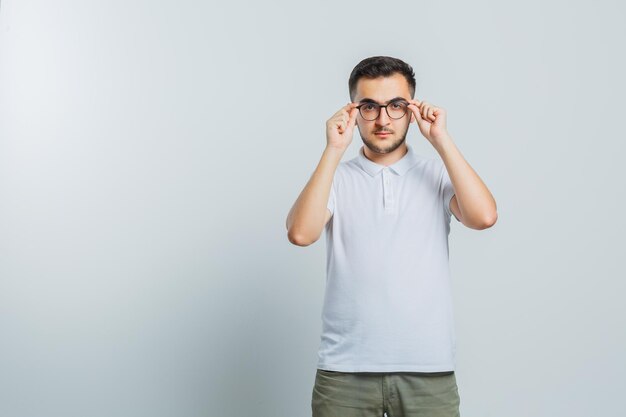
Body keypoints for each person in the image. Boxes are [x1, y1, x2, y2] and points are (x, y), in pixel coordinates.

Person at [286, 56, 497, 417]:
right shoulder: (336, 177)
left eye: (396, 106)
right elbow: (301, 234)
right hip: (344, 370)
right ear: (353, 111)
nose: (383, 120)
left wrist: (441, 140)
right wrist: (333, 150)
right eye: (369, 106)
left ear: (411, 109)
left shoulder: (436, 173)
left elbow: (483, 217)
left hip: (428, 369)